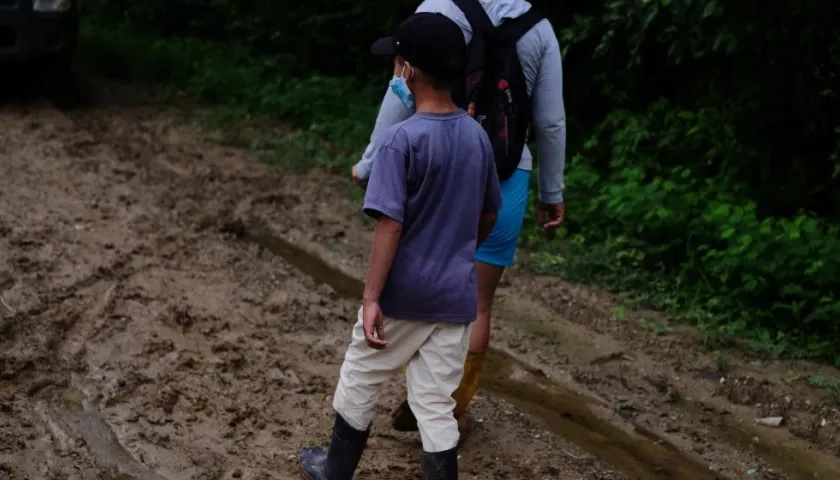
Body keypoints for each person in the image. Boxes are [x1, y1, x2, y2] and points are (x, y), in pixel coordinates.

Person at [299, 11, 502, 480]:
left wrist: (372, 298)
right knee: (434, 400)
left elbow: (388, 227)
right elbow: (488, 213)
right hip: (456, 296)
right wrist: (458, 251)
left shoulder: (399, 141)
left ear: (407, 71)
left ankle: (335, 468)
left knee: (360, 375)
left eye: (396, 64)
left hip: (404, 294)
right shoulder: (477, 137)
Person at [351, 0, 567, 435]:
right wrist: (551, 192)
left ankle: (419, 397)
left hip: (430, 169)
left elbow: (396, 100)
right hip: (506, 174)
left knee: (416, 282)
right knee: (476, 304)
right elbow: (550, 122)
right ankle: (450, 408)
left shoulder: (440, 8)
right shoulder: (538, 28)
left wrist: (370, 163)